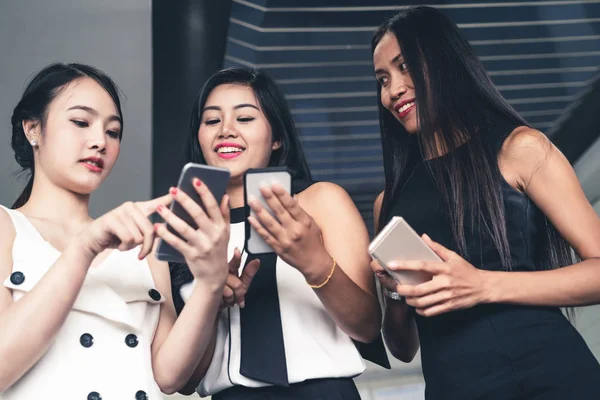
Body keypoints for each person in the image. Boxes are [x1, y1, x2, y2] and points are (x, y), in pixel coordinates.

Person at [370, 6, 600, 399]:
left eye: (405, 66)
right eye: (383, 79)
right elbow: (402, 347)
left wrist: (481, 285)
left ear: (444, 61)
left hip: (547, 377)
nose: (393, 91)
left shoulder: (520, 148)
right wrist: (394, 293)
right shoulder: (387, 202)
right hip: (452, 387)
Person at [0, 63, 230, 399]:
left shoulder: (145, 244)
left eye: (113, 132)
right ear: (33, 128)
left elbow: (168, 377)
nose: (99, 142)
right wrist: (83, 248)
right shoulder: (7, 228)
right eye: (81, 122)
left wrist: (210, 285)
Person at [170, 67, 387, 400]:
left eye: (244, 118)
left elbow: (367, 327)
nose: (226, 131)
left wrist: (314, 262)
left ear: (277, 137)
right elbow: (183, 380)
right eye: (212, 121)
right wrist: (210, 300)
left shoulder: (319, 202)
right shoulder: (188, 226)